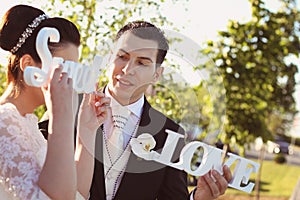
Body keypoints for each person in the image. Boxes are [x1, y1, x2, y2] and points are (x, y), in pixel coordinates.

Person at [88, 21, 232, 200]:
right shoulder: (69, 108)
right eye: (123, 57)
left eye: (141, 63)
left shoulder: (169, 134)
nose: (127, 69)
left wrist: (198, 198)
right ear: (110, 57)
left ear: (157, 74)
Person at [0, 4, 110, 200]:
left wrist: (87, 128)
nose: (69, 79)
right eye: (63, 67)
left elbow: (77, 193)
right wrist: (62, 117)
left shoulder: (28, 123)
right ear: (27, 65)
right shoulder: (4, 122)